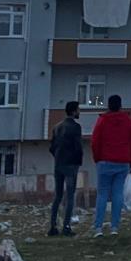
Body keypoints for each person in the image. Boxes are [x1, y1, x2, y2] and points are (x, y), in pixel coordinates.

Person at [90, 94, 131, 237]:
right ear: (120, 105)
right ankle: (114, 227)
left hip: (104, 161)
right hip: (123, 162)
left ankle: (98, 228)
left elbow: (95, 141)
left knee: (102, 194)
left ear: (108, 106)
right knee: (117, 194)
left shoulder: (102, 120)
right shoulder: (128, 121)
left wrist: (97, 158)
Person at [48, 101, 83, 237]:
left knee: (58, 196)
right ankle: (66, 226)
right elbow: (78, 147)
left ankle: (53, 226)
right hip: (71, 165)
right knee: (70, 196)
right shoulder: (76, 127)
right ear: (74, 111)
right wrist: (78, 161)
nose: (79, 112)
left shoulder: (57, 127)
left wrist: (58, 157)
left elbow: (52, 147)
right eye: (78, 110)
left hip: (59, 164)